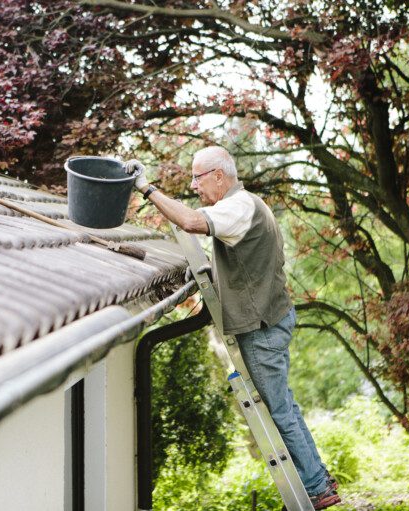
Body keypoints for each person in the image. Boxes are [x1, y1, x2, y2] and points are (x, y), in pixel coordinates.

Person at [125, 146, 341, 510]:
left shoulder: (239, 208)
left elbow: (192, 222)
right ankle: (318, 477)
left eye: (198, 178)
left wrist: (146, 187)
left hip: (261, 328)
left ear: (219, 176)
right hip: (269, 320)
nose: (194, 186)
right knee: (284, 405)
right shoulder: (247, 205)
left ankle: (317, 487)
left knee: (278, 411)